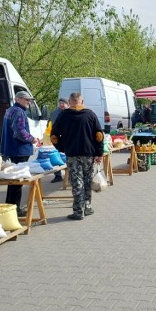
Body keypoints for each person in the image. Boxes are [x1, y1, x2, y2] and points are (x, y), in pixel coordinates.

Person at [51, 92, 104, 220]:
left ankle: (78, 211)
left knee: (76, 183)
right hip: (88, 154)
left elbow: (54, 136)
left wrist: (62, 148)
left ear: (70, 102)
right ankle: (87, 207)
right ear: (82, 101)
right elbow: (99, 136)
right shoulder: (90, 114)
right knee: (87, 182)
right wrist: (99, 153)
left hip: (72, 154)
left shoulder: (63, 115)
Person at [0, 91, 40, 217]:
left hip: (12, 149)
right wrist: (32, 138)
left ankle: (9, 206)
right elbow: (19, 132)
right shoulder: (19, 112)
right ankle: (15, 209)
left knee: (13, 181)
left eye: (29, 100)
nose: (28, 102)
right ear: (18, 99)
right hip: (19, 150)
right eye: (26, 100)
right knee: (18, 181)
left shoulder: (10, 110)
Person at [49, 97, 69, 183]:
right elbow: (49, 124)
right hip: (56, 139)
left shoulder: (70, 113)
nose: (61, 104)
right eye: (60, 103)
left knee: (68, 157)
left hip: (67, 139)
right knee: (55, 156)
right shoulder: (54, 113)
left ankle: (70, 175)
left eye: (63, 103)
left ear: (67, 104)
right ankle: (57, 175)